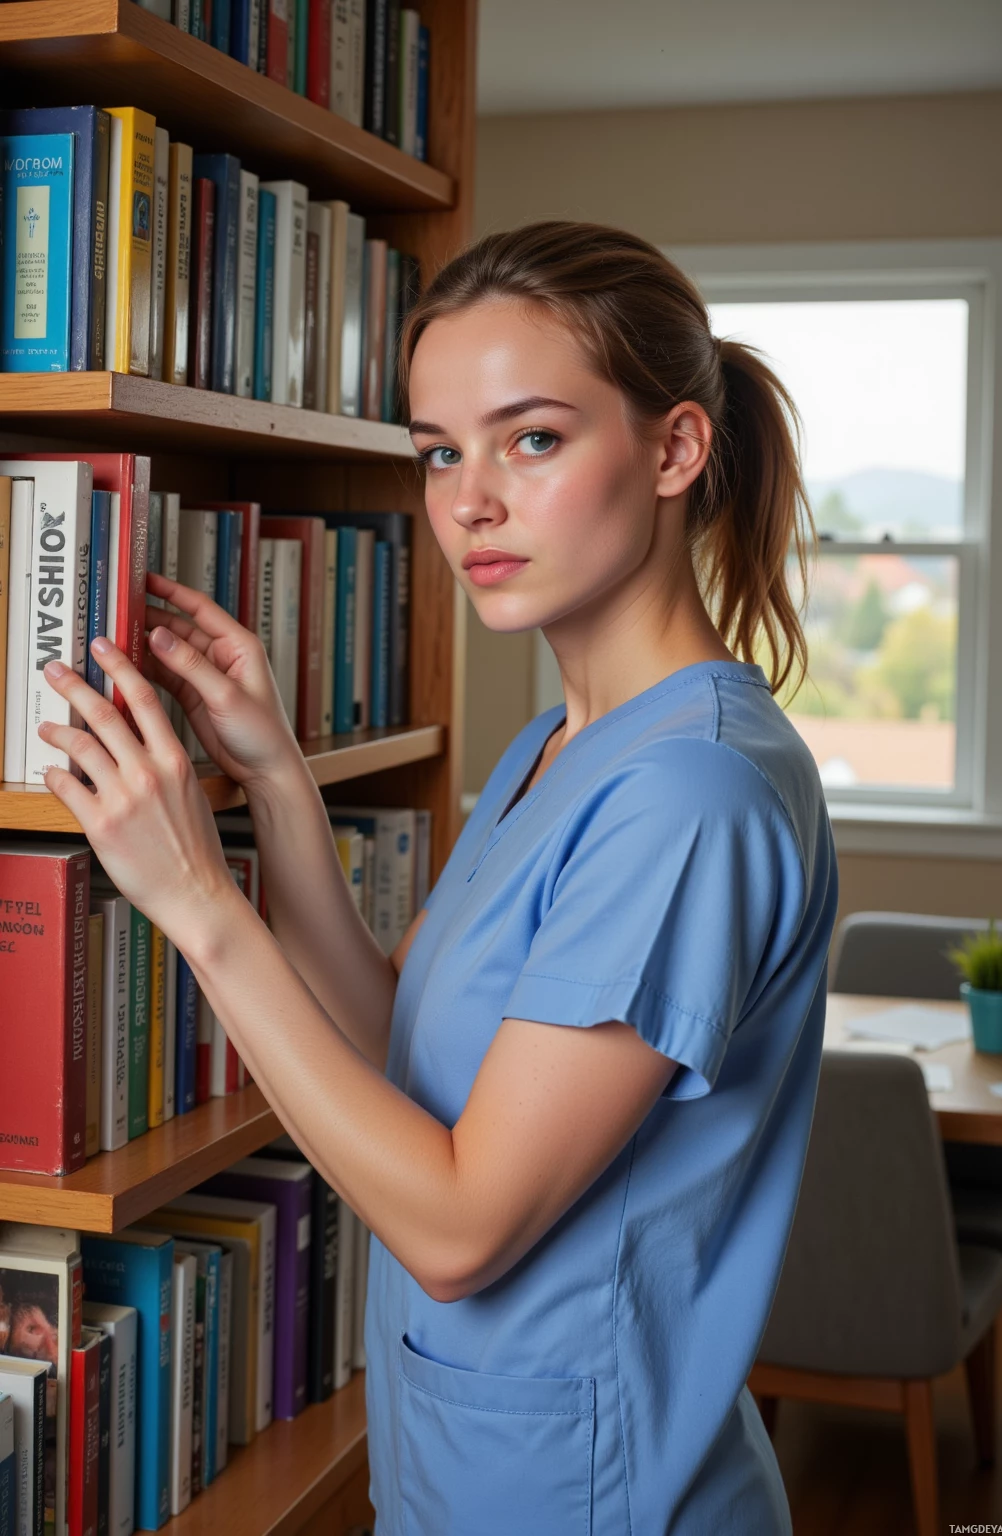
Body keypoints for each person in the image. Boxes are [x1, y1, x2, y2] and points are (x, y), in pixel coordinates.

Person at [38, 220, 839, 1535]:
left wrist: (196, 902)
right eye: (438, 453)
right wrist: (281, 785)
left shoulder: (693, 795)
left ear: (676, 448)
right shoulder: (553, 745)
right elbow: (403, 1045)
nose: (470, 501)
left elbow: (462, 1225)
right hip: (466, 1470)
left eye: (533, 439)